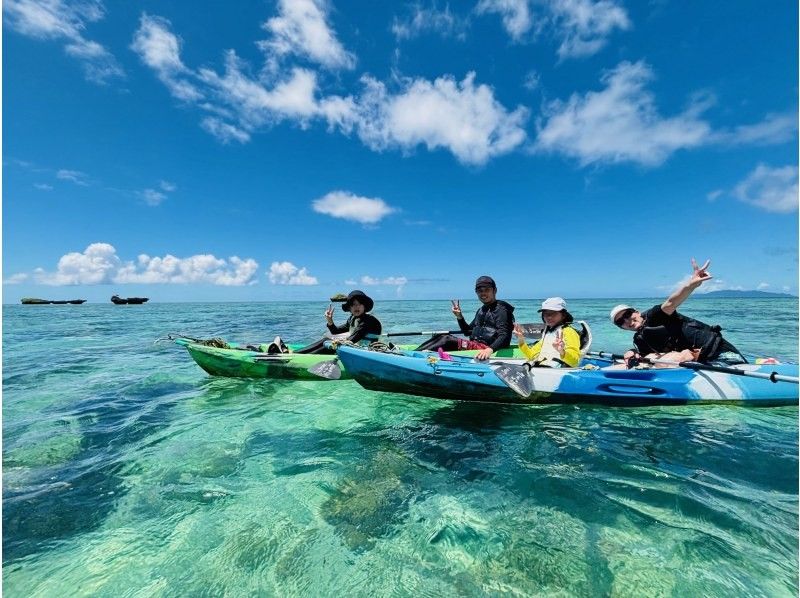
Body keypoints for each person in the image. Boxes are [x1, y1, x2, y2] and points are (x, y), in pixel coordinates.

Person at [609, 258, 745, 367]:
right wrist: (632, 351)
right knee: (649, 358)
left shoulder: (655, 316)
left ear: (637, 312)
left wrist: (691, 284)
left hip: (721, 354)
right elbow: (646, 355)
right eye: (621, 321)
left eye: (627, 314)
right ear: (622, 328)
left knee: (663, 360)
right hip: (699, 363)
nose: (627, 320)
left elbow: (671, 302)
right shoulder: (639, 339)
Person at [415, 275, 514, 361]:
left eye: (487, 290)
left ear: (495, 290)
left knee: (446, 339)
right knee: (440, 335)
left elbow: (504, 335)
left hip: (485, 348)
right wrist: (459, 316)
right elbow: (467, 332)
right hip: (474, 345)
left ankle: (414, 355)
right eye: (480, 291)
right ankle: (414, 353)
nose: (483, 294)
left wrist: (489, 350)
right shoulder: (481, 310)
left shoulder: (501, 310)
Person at [289, 290, 382, 354]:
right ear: (349, 308)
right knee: (326, 340)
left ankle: (298, 355)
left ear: (364, 306)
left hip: (366, 354)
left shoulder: (369, 321)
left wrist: (334, 342)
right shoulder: (353, 319)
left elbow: (352, 340)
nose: (356, 307)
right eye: (353, 304)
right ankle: (296, 353)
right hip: (356, 350)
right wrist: (330, 320)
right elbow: (336, 331)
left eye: (360, 304)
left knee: (330, 343)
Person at [514, 297, 581, 367]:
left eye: (553, 313)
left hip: (556, 371)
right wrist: (521, 340)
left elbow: (575, 362)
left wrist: (562, 352)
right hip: (543, 368)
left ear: (563, 315)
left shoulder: (569, 332)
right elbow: (531, 356)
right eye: (546, 314)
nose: (549, 317)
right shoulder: (547, 333)